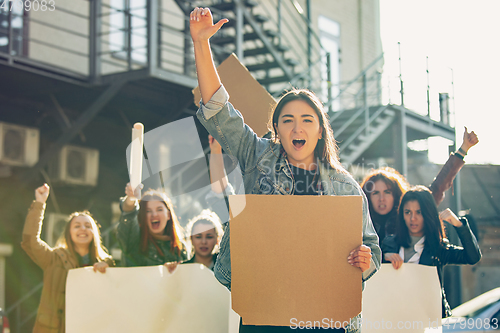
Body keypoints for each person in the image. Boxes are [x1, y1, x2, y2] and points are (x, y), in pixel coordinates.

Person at [190, 7, 381, 332]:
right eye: (287, 120)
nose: (297, 127)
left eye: (307, 120)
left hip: (325, 318)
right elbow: (218, 108)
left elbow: (371, 248)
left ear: (320, 131)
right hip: (264, 313)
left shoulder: (346, 187)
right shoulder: (256, 155)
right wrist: (200, 44)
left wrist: (366, 259)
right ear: (276, 128)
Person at [21, 184, 114, 333]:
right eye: (77, 226)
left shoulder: (108, 264)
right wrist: (39, 203)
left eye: (87, 226)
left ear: (94, 233)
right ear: (68, 233)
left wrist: (107, 270)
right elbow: (30, 241)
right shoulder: (54, 259)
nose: (83, 229)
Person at [361, 127, 479, 241]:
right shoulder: (360, 221)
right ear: (368, 197)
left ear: (395, 194)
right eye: (376, 193)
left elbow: (438, 186)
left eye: (387, 192)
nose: (382, 199)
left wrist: (463, 149)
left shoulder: (408, 213)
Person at [382, 186, 481, 317]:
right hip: (394, 318)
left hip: (429, 320)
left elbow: (473, 257)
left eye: (419, 212)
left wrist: (459, 225)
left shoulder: (438, 250)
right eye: (407, 212)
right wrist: (383, 258)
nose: (413, 218)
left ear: (428, 214)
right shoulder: (388, 244)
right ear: (402, 215)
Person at [117, 185, 187, 266]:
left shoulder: (180, 247)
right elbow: (129, 215)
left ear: (168, 215)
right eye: (148, 211)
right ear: (141, 217)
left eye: (159, 209)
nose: (154, 214)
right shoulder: (134, 241)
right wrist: (131, 199)